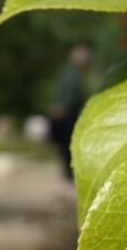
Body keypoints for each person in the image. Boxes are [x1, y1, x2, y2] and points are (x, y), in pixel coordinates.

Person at [49, 45, 90, 180]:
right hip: (69, 115)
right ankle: (70, 174)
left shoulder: (72, 74)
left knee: (67, 146)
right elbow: (70, 97)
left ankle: (69, 173)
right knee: (68, 144)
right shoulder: (73, 76)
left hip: (69, 114)